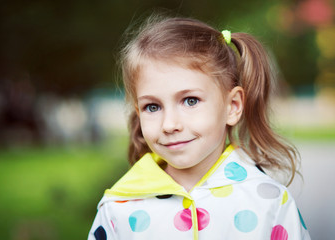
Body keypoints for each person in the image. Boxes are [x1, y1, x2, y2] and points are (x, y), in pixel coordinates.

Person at [88, 14, 311, 240]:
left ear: (232, 106)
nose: (169, 125)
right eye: (153, 107)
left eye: (190, 101)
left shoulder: (270, 204)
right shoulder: (117, 209)